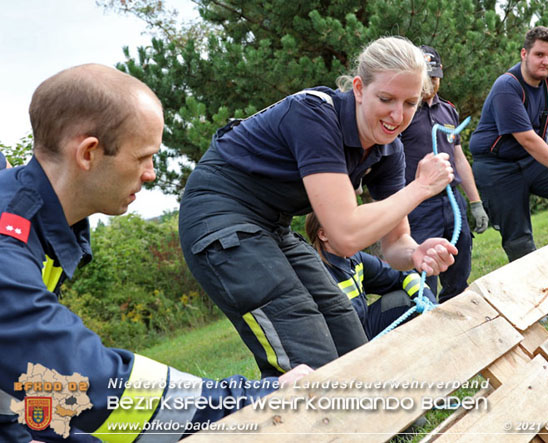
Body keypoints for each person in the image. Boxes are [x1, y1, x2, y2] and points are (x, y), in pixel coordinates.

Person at [0, 64, 310, 443]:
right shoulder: (7, 249)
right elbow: (89, 384)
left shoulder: (30, 220)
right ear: (88, 153)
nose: (151, 174)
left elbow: (25, 377)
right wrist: (255, 398)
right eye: (143, 156)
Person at [179, 36, 458, 378]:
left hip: (273, 225)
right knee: (305, 347)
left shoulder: (388, 151)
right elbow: (345, 234)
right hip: (218, 221)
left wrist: (416, 254)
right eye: (385, 99)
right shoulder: (314, 113)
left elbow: (395, 245)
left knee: (343, 322)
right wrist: (420, 188)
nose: (397, 115)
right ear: (358, 89)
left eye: (410, 103)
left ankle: (383, 427)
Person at [469, 26, 548, 261]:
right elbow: (527, 139)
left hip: (533, 160)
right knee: (518, 237)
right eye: (539, 55)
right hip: (496, 167)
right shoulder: (506, 86)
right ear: (524, 54)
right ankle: (535, 292)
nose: (546, 62)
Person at [400, 45, 488, 301]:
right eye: (426, 77)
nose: (430, 83)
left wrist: (475, 202)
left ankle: (457, 315)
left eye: (435, 77)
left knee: (459, 264)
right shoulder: (404, 111)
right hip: (419, 204)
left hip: (452, 200)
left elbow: (459, 158)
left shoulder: (448, 111)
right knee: (425, 274)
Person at [305, 212, 436, 339]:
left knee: (402, 298)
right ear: (323, 234)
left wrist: (429, 304)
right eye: (347, 228)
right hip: (341, 347)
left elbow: (404, 274)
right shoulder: (313, 272)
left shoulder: (354, 258)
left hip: (364, 327)